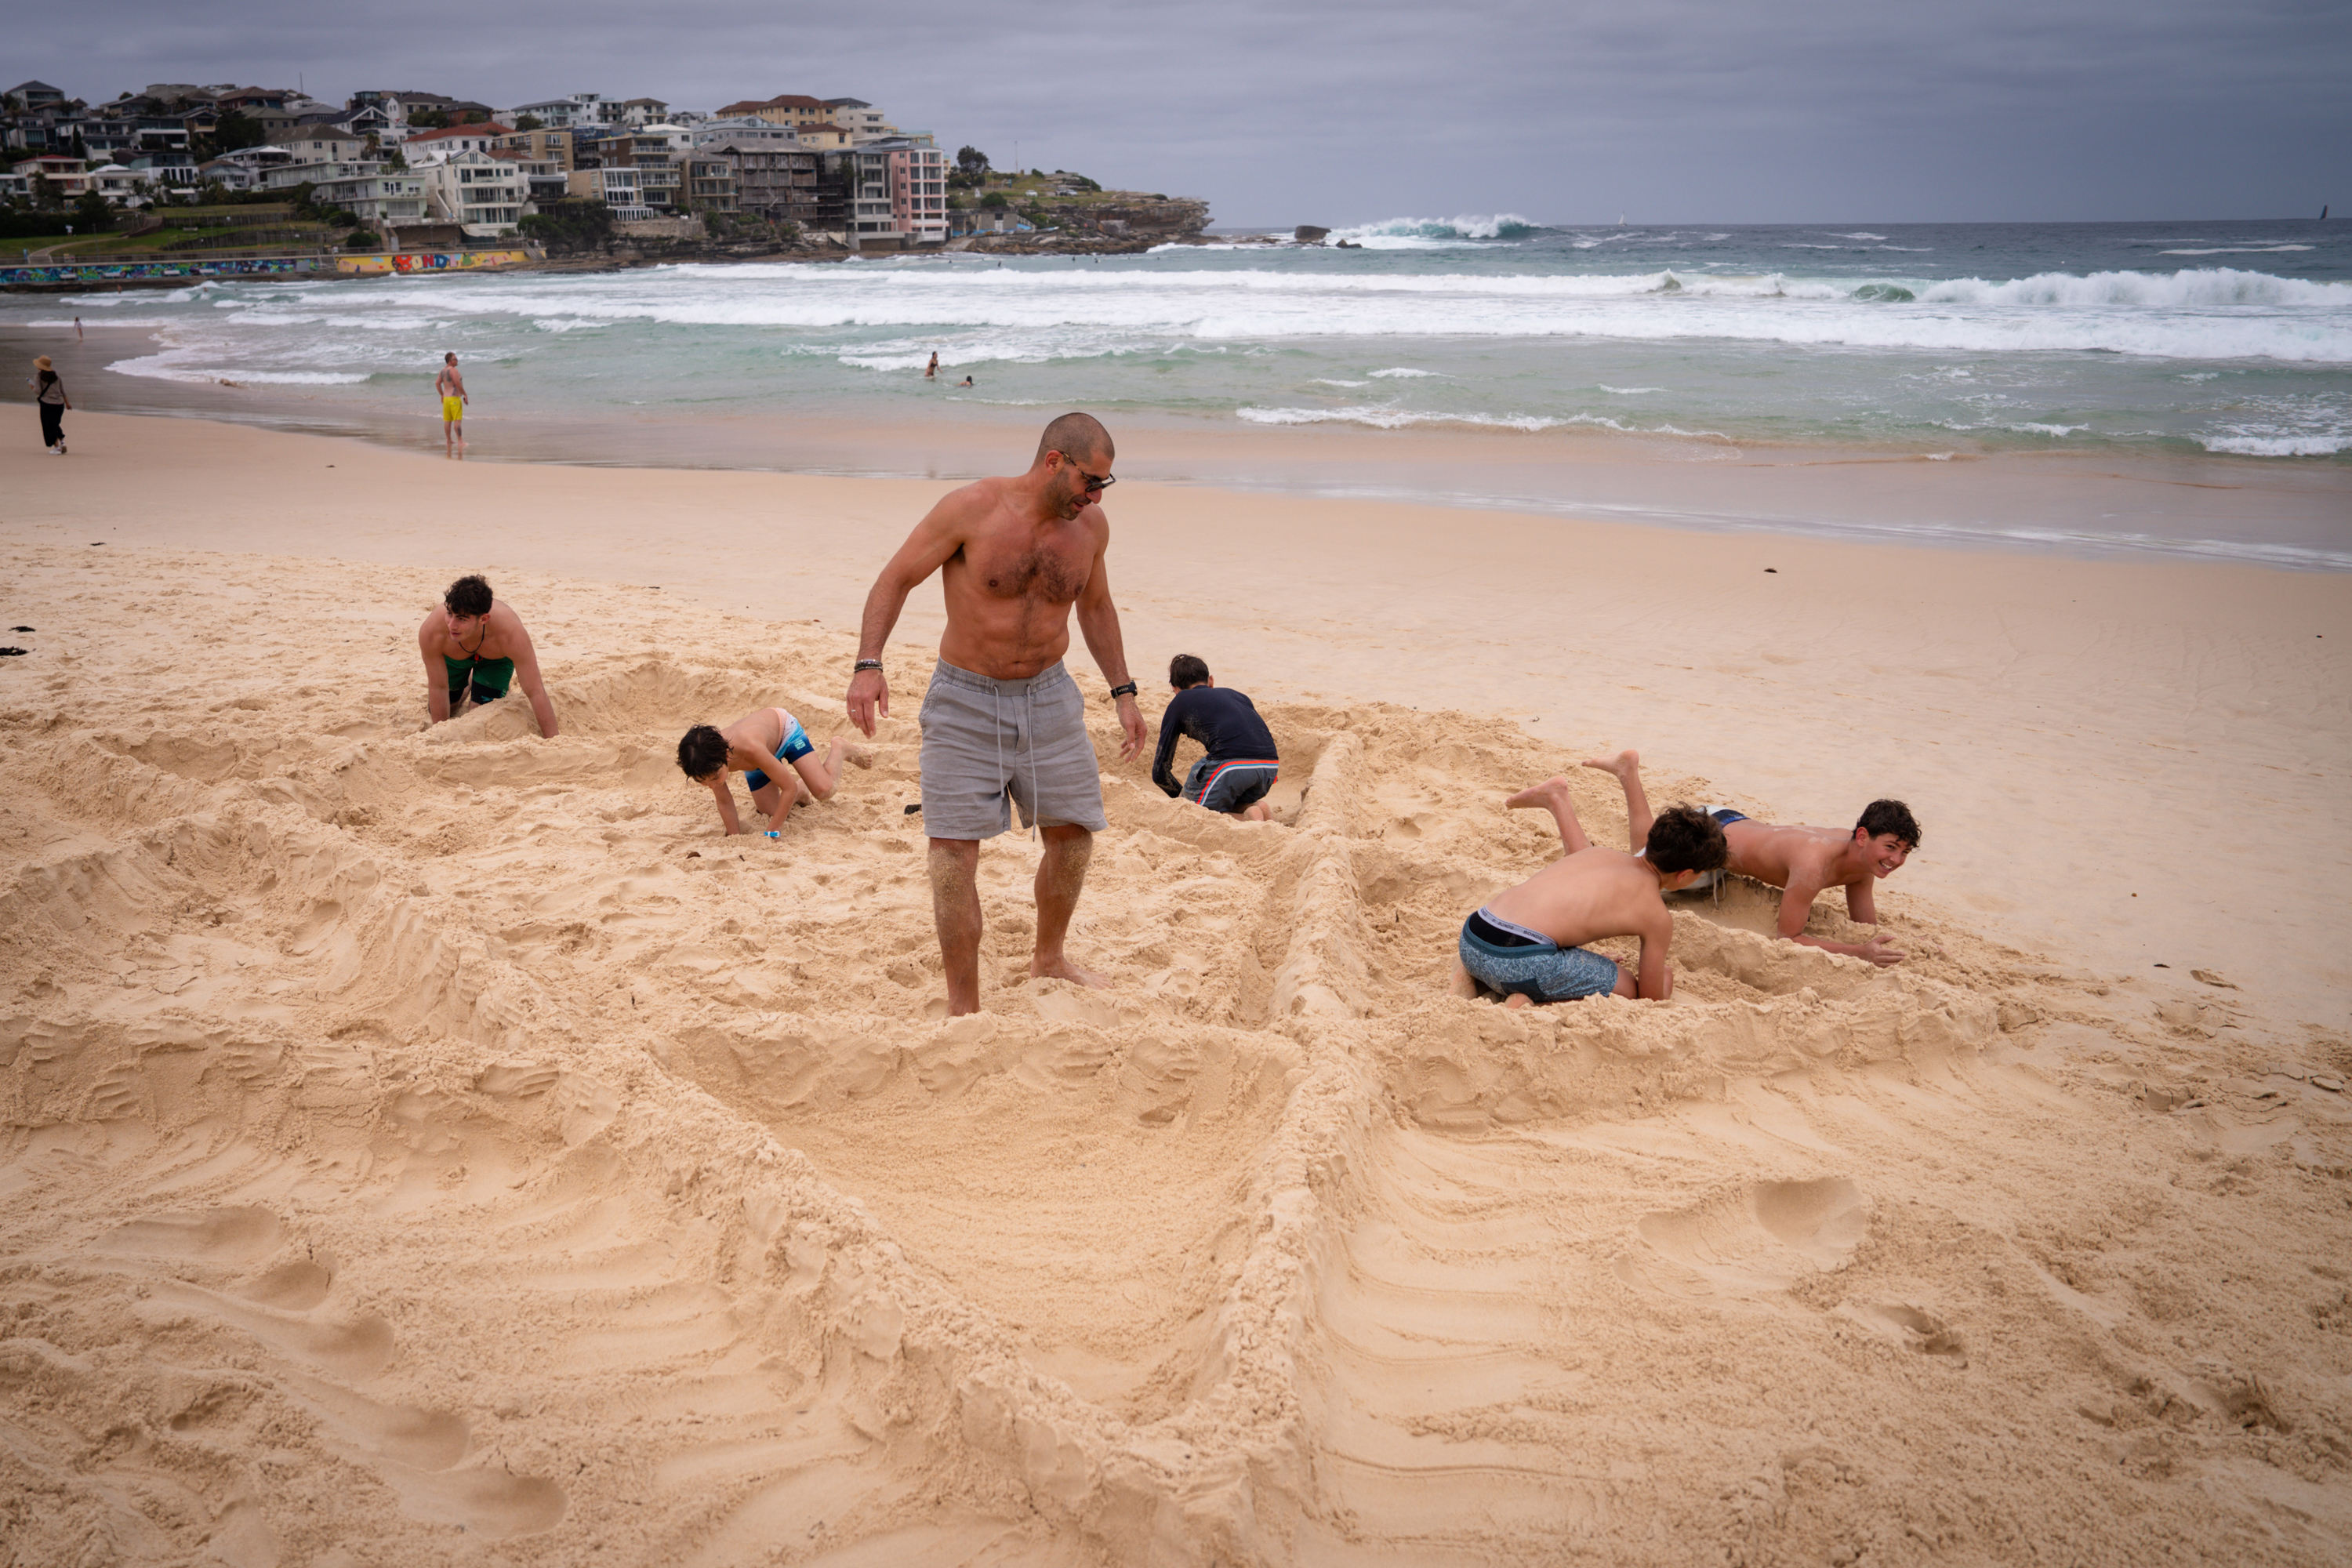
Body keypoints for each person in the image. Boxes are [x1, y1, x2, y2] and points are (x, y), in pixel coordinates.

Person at [846, 410, 1148, 1016]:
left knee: (1073, 841)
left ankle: (1050, 957)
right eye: (1091, 481)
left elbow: (1097, 608)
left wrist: (1124, 691)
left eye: (1104, 487)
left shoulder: (1090, 529)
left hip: (1049, 696)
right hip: (965, 698)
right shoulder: (971, 510)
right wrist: (868, 663)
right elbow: (894, 579)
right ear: (1054, 462)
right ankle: (964, 1005)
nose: (1095, 496)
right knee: (952, 861)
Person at [1568, 751, 1918, 967]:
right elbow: (1789, 937)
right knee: (1640, 866)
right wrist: (1860, 953)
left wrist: (1891, 946)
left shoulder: (1864, 863)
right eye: (1891, 847)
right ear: (1862, 837)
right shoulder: (1814, 864)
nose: (1897, 859)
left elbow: (1864, 930)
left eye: (1903, 851)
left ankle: (1625, 772)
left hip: (1733, 821)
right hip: (1712, 833)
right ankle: (1625, 772)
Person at [1457, 773, 1729, 1005]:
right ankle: (1528, 1000)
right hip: (1517, 962)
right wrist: (1665, 979)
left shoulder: (1598, 854)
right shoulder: (1657, 917)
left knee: (1561, 955)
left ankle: (1471, 979)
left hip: (1472, 936)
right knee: (1626, 987)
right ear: (1684, 875)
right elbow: (1649, 998)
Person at [676, 706, 872, 836]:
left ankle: (840, 748)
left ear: (726, 755)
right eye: (703, 781)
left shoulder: (749, 748)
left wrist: (773, 831)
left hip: (785, 733)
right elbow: (725, 800)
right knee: (772, 811)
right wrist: (734, 838)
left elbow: (787, 788)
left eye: (715, 778)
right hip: (759, 761)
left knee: (824, 790)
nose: (712, 785)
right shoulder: (707, 762)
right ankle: (802, 789)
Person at [416, 574, 559, 735]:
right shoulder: (432, 631)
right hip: (455, 660)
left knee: (480, 715)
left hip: (495, 662)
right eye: (450, 613)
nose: (452, 625)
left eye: (462, 619)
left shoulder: (510, 633)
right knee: (447, 708)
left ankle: (484, 681)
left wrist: (553, 739)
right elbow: (438, 686)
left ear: (483, 619)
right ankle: (471, 682)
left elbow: (535, 691)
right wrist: (439, 735)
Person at [1152, 654, 1278, 822]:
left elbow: (1160, 772)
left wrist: (1185, 801)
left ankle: (1247, 819)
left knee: (1192, 815)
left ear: (1175, 689)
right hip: (1269, 767)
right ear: (1211, 681)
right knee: (1221, 797)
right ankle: (1256, 808)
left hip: (1231, 766)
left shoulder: (1180, 701)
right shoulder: (1239, 696)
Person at [31, 356, 68, 455]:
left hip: (47, 404)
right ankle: (62, 442)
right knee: (55, 424)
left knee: (48, 426)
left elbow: (38, 391)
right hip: (60, 404)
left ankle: (57, 448)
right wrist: (67, 403)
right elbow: (62, 391)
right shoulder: (56, 376)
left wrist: (32, 387)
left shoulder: (39, 376)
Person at [435, 352, 467, 452]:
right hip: (454, 398)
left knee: (447, 420)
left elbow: (437, 383)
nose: (457, 360)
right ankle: (460, 441)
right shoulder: (453, 370)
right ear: (450, 361)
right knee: (457, 420)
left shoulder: (443, 371)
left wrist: (442, 395)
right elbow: (457, 383)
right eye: (455, 358)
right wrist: (465, 395)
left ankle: (449, 440)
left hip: (446, 399)